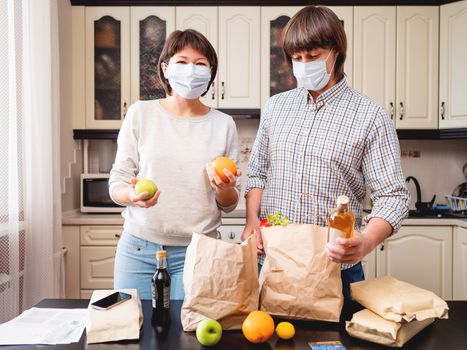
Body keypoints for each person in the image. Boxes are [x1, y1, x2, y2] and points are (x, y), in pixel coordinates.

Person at [241, 6, 409, 300]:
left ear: (336, 52)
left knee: (334, 347)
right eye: (297, 58)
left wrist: (366, 241)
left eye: (313, 56)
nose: (304, 64)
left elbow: (394, 197)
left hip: (335, 270)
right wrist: (251, 220)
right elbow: (258, 171)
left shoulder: (370, 116)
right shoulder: (276, 108)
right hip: (271, 263)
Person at [109, 29, 241, 300]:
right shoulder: (140, 114)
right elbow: (118, 182)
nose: (191, 69)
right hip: (138, 249)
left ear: (210, 72)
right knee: (132, 331)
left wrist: (224, 188)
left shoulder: (223, 125)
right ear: (166, 69)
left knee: (187, 337)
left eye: (200, 63)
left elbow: (228, 204)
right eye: (182, 61)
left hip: (198, 250)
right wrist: (132, 196)